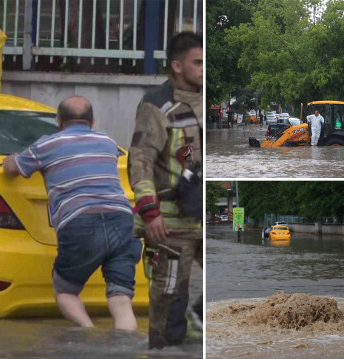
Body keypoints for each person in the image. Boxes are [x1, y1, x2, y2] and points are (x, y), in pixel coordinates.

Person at [2, 96, 141, 331]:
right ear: (92, 121)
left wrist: (10, 157)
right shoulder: (107, 141)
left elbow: (12, 169)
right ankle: (125, 348)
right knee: (121, 299)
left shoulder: (47, 145)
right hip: (123, 221)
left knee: (65, 291)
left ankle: (87, 335)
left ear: (58, 120)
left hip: (80, 222)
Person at [128, 31, 203, 349]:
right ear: (176, 66)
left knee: (239, 276)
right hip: (168, 223)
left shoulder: (209, 101)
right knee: (167, 308)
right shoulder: (157, 105)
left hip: (202, 218)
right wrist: (149, 210)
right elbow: (140, 161)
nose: (203, 69)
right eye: (197, 63)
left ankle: (198, 321)